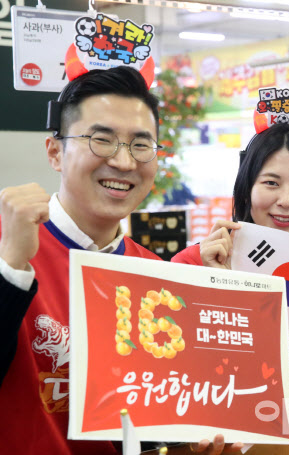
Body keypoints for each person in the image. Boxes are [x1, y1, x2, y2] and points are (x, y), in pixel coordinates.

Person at [0, 67, 235, 454]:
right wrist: (10, 269)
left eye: (141, 145)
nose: (124, 162)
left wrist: (189, 442)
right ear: (55, 152)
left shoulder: (157, 280)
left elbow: (152, 422)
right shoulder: (9, 245)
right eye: (101, 140)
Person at [171, 122, 289, 415]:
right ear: (246, 189)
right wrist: (216, 284)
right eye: (271, 183)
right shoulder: (191, 266)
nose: (286, 201)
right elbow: (168, 383)